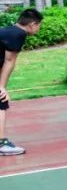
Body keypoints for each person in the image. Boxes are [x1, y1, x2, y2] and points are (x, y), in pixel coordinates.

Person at [0, 9, 44, 156]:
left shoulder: (9, 31)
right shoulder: (18, 34)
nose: (39, 29)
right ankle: (1, 144)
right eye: (39, 26)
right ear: (32, 24)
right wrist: (2, 87)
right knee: (1, 101)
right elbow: (9, 61)